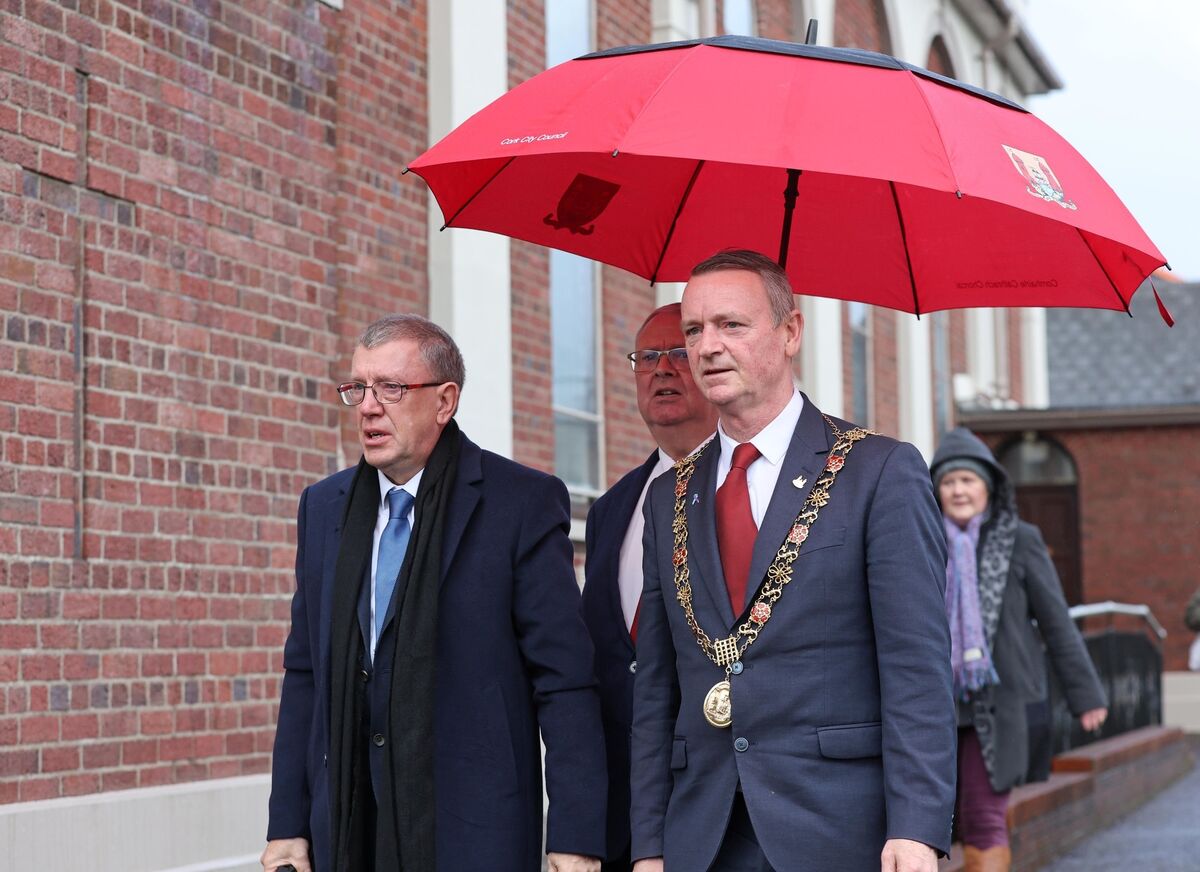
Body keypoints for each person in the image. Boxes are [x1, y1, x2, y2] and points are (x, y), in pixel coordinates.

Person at [629, 250, 956, 872]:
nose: (707, 347)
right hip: (704, 836)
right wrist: (648, 846)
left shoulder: (877, 471)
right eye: (694, 330)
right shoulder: (670, 496)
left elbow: (916, 667)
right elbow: (656, 688)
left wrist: (917, 826)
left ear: (790, 333)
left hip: (841, 830)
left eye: (732, 325)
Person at [261, 314, 607, 872]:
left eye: (391, 389)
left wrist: (574, 835)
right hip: (349, 830)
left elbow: (565, 682)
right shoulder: (324, 507)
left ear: (445, 401)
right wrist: (287, 825)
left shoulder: (520, 503)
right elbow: (305, 674)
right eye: (358, 389)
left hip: (474, 831)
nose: (369, 406)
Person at [931, 427, 1108, 872]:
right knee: (932, 821)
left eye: (967, 481)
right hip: (935, 703)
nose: (958, 491)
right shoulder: (921, 540)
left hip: (1003, 701)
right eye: (949, 482)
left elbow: (1055, 620)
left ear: (987, 486)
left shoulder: (1020, 539)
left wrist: (1085, 695)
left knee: (984, 816)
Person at [581, 304, 718, 871]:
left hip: (721, 801)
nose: (663, 369)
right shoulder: (611, 508)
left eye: (680, 353)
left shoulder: (754, 497)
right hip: (621, 810)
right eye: (648, 357)